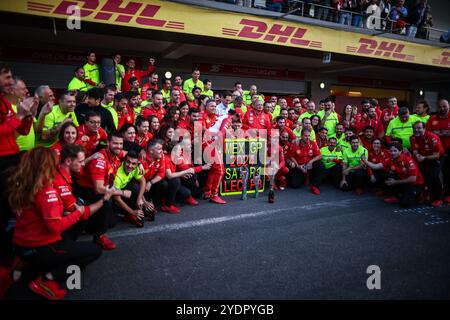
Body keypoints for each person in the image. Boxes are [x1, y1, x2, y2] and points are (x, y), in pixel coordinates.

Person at [8, 147, 108, 300]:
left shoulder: (23, 184)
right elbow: (55, 227)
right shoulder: (47, 190)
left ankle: (22, 270)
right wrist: (78, 213)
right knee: (94, 250)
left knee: (69, 241)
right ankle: (45, 280)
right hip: (41, 245)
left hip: (20, 243)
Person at [74, 132, 128, 250]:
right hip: (87, 191)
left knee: (112, 222)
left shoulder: (116, 155)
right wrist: (122, 192)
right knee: (106, 202)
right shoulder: (100, 160)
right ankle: (99, 237)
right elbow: (98, 189)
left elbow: (125, 153)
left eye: (121, 144)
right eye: (115, 143)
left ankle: (90, 226)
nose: (118, 146)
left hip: (98, 190)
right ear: (108, 143)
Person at [363, 142, 424, 207]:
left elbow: (413, 179)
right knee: (388, 176)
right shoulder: (390, 159)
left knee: (404, 204)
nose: (392, 153)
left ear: (400, 151)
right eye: (391, 151)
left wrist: (395, 182)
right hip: (404, 182)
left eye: (395, 151)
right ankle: (395, 196)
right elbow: (376, 166)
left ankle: (420, 194)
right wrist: (365, 160)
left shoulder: (408, 160)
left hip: (416, 184)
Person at [113, 151, 155, 227]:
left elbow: (143, 180)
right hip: (112, 195)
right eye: (128, 162)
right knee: (111, 223)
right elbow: (117, 199)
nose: (130, 165)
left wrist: (141, 199)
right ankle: (127, 213)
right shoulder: (117, 175)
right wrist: (132, 212)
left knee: (136, 187)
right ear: (124, 161)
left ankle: (141, 210)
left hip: (124, 189)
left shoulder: (136, 167)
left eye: (133, 164)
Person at [410, 121, 445, 207]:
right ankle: (425, 194)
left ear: (424, 129)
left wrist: (424, 158)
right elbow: (414, 150)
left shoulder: (433, 137)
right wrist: (417, 155)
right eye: (414, 128)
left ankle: (438, 198)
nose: (416, 130)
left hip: (436, 157)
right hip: (422, 157)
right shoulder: (412, 137)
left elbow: (437, 155)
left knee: (434, 176)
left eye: (419, 128)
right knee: (421, 176)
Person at [426, 99, 450, 203]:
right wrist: (445, 132)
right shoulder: (432, 118)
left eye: (444, 106)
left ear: (449, 106)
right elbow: (427, 132)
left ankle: (448, 195)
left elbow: (434, 133)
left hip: (449, 150)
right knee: (434, 174)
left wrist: (437, 132)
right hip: (436, 151)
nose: (442, 108)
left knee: (448, 173)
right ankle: (437, 195)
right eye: (440, 107)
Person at [287, 129, 324, 194]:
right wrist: (298, 166)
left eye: (309, 136)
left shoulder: (313, 143)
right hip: (299, 166)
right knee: (294, 185)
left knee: (320, 164)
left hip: (310, 166)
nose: (307, 137)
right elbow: (291, 156)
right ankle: (305, 177)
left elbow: (320, 156)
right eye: (305, 136)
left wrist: (311, 161)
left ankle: (315, 186)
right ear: (301, 136)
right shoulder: (295, 144)